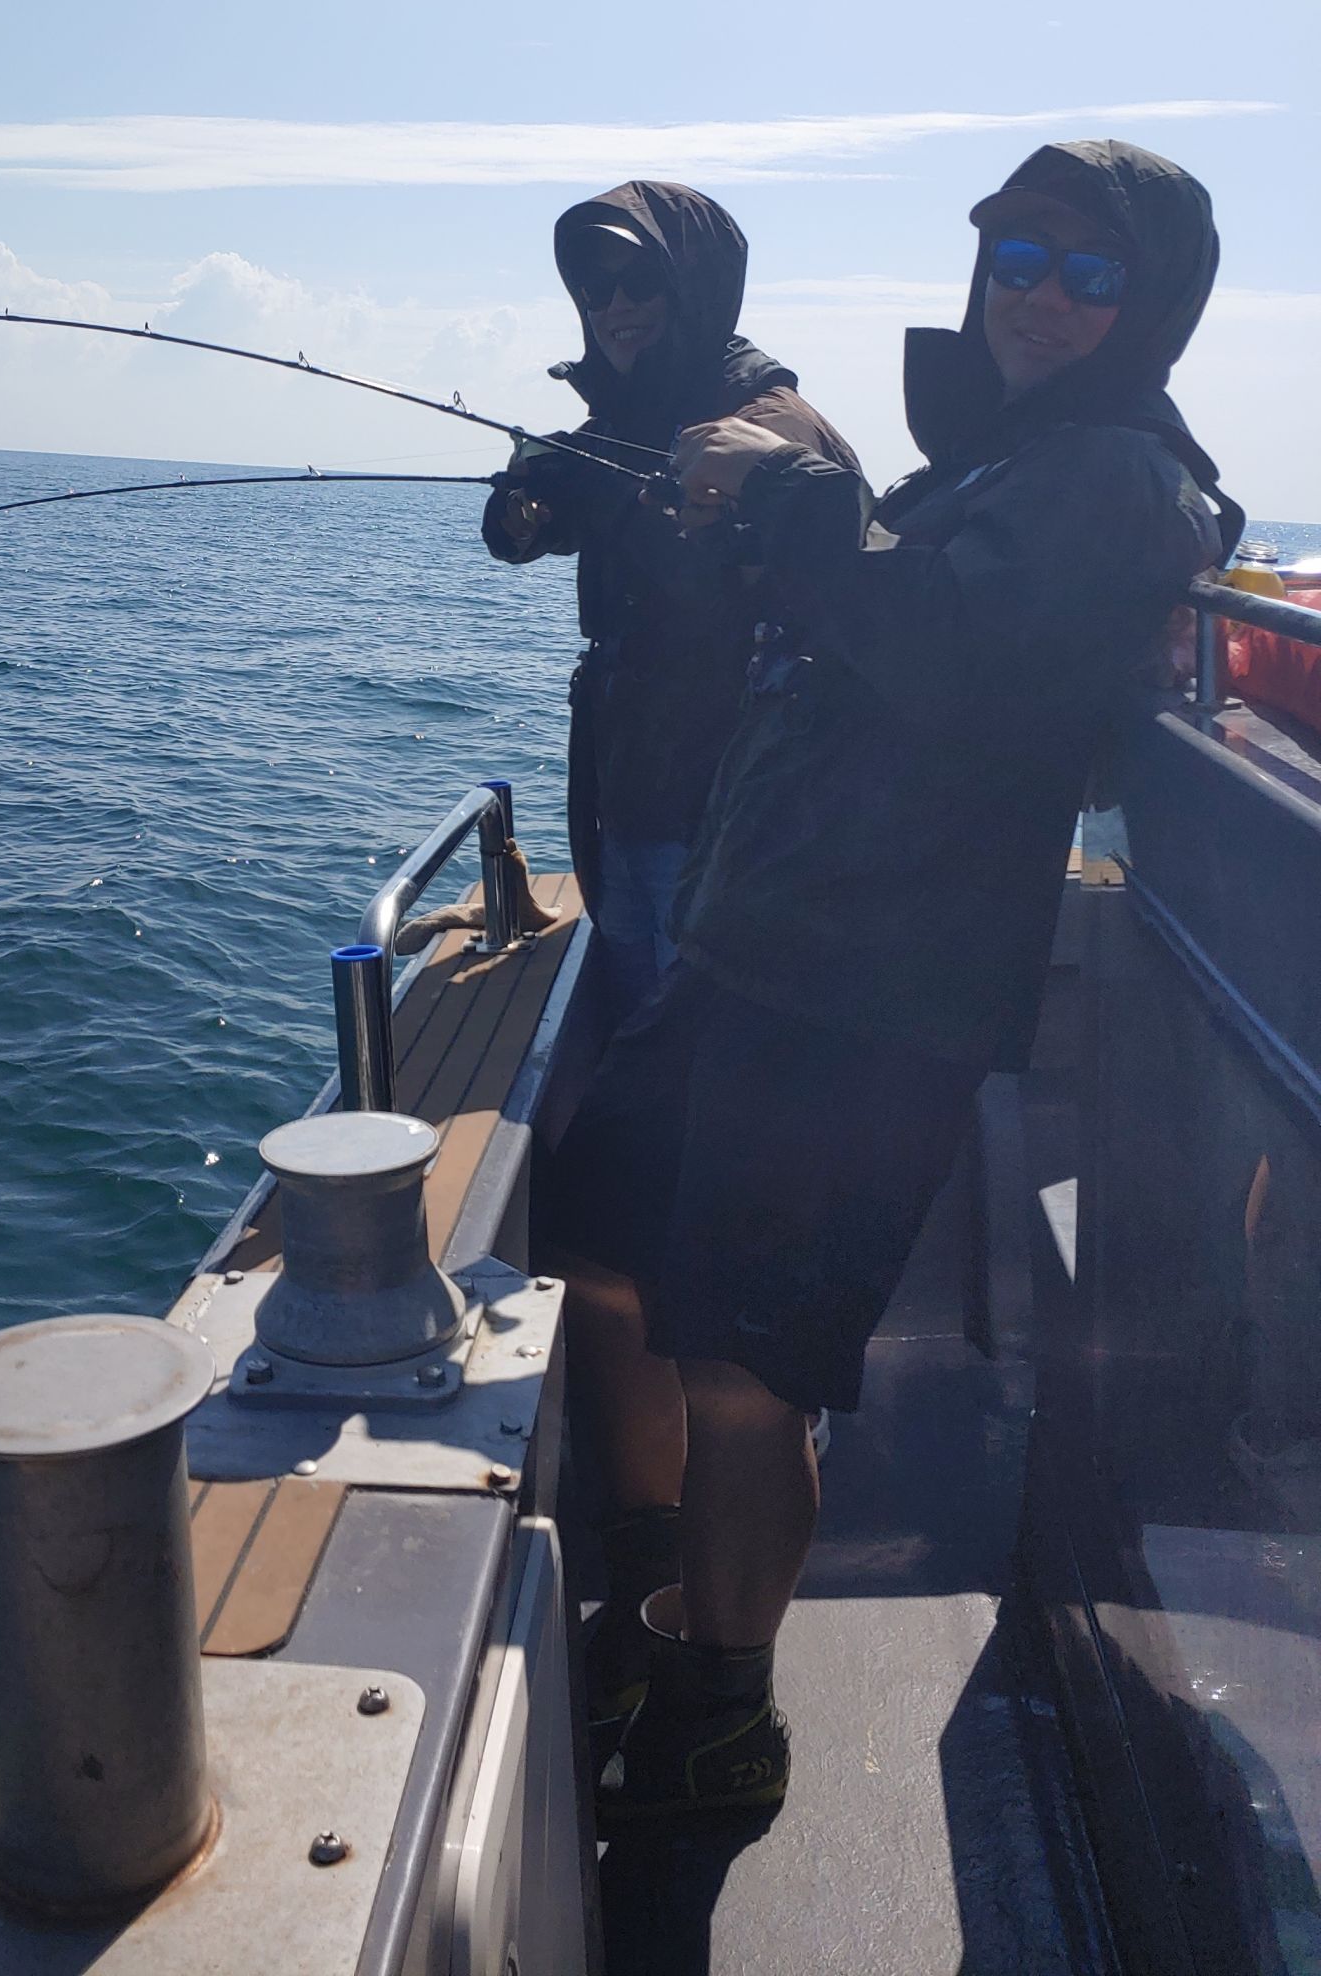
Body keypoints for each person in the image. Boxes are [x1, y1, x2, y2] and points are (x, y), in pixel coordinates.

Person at [539, 139, 1241, 1816]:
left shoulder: (1119, 475)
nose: (1041, 299)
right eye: (1020, 259)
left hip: (870, 1003)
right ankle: (655, 1592)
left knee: (746, 1366)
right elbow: (875, 611)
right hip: (755, 948)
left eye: (1090, 274)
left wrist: (792, 499)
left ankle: (720, 1714)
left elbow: (964, 658)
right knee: (599, 1246)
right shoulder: (1000, 459)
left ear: (1151, 305)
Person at [481, 180, 856, 1021]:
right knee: (634, 1003)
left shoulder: (771, 424)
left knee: (700, 1029)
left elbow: (841, 574)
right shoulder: (622, 420)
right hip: (627, 786)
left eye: (641, 281)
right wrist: (523, 507)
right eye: (595, 287)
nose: (616, 306)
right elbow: (536, 523)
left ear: (695, 288)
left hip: (729, 806)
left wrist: (716, 514)